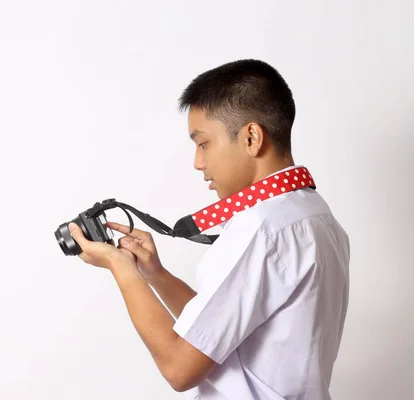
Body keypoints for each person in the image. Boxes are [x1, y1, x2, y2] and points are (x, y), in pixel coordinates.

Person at [68, 59, 350, 400]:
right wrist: (155, 274)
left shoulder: (260, 229)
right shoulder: (313, 214)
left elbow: (179, 367)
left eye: (203, 143)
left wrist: (119, 266)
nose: (198, 162)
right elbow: (216, 330)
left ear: (251, 137)